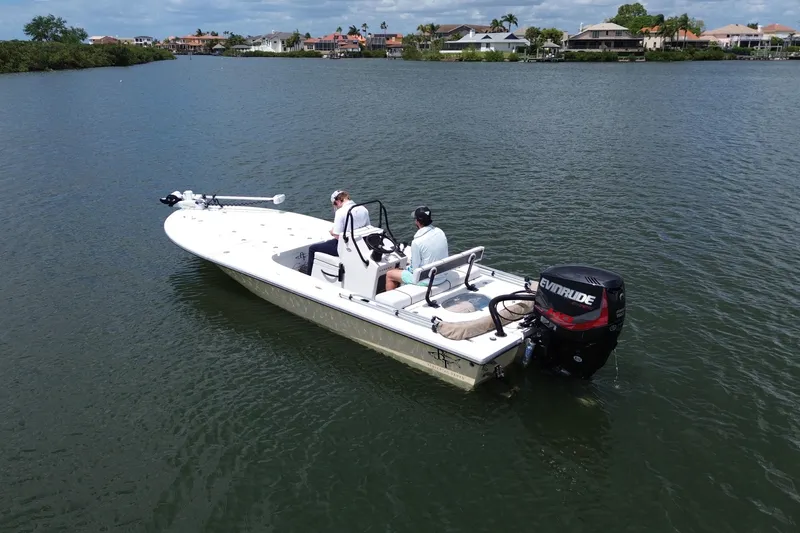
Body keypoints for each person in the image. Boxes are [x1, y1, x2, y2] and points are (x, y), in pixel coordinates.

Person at [305, 190, 370, 275]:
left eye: (335, 204)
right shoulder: (363, 209)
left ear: (337, 201)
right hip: (361, 243)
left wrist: (332, 232)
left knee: (312, 249)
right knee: (328, 242)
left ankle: (309, 275)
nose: (336, 207)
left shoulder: (340, 212)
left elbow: (337, 236)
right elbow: (368, 228)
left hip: (346, 247)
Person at [385, 206, 448, 291]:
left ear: (417, 222)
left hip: (427, 280)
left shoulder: (417, 242)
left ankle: (390, 301)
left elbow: (415, 270)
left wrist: (404, 268)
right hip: (442, 276)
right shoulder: (440, 232)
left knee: (390, 274)